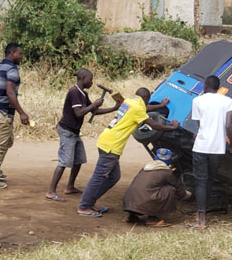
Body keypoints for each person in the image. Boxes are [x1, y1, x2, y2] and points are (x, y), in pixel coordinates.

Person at [77, 88, 179, 217]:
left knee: (114, 177)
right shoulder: (137, 109)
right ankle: (84, 206)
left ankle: (89, 203)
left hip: (107, 140)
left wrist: (161, 105)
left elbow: (144, 109)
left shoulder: (130, 102)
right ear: (146, 98)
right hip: (111, 145)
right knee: (99, 177)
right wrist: (172, 127)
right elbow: (154, 125)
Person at [45, 69, 119, 202]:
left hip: (73, 132)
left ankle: (70, 187)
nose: (92, 82)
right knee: (64, 161)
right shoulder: (74, 92)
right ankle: (51, 191)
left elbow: (94, 111)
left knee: (79, 160)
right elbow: (79, 113)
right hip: (67, 131)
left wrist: (114, 108)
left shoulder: (83, 94)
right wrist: (94, 105)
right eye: (90, 79)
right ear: (83, 78)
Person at [187, 75, 232, 229]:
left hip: (201, 147)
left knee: (200, 180)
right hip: (217, 148)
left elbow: (199, 123)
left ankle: (201, 219)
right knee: (209, 179)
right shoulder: (227, 101)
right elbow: (229, 126)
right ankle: (202, 212)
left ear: (205, 87)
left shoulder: (197, 100)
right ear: (218, 87)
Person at [0, 42, 29, 189]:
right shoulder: (12, 70)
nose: (21, 57)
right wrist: (22, 113)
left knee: (8, 141)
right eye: (20, 54)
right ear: (12, 53)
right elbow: (10, 92)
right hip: (3, 113)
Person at [123, 148, 191, 227]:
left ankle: (131, 216)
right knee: (170, 189)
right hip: (145, 202)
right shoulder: (166, 172)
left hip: (129, 202)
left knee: (143, 188)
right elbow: (178, 187)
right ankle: (152, 219)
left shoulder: (146, 168)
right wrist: (188, 195)